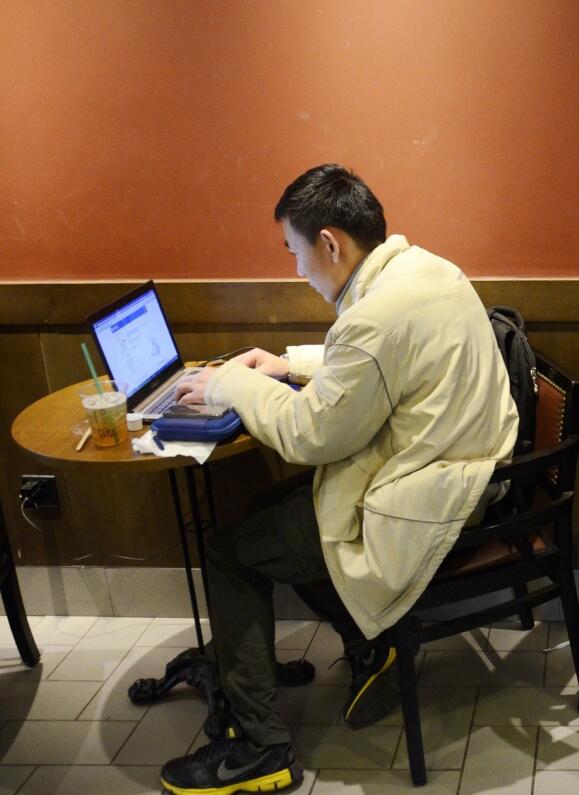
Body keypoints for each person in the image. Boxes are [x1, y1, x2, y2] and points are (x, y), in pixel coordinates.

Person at [158, 164, 518, 794]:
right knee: (277, 509)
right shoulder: (427, 270)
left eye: (295, 253)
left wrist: (227, 383)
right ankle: (368, 642)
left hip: (436, 505)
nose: (297, 271)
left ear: (330, 242)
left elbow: (310, 435)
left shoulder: (373, 318)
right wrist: (285, 363)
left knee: (229, 551)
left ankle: (260, 750)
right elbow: (385, 357)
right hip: (478, 478)